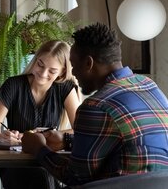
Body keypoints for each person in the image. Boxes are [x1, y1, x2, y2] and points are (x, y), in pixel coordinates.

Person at [22, 23, 168, 186]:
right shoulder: (149, 86)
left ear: (88, 63)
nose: (74, 73)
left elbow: (75, 177)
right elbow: (122, 140)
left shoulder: (96, 105)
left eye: (74, 65)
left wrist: (39, 148)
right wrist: (68, 140)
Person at [0, 40, 81, 189]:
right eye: (40, 64)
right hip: (16, 161)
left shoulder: (66, 89)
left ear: (62, 71)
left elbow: (81, 130)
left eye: (52, 71)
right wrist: (3, 136)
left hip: (47, 159)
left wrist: (52, 135)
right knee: (39, 177)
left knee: (44, 175)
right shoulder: (13, 85)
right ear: (35, 60)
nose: (42, 74)